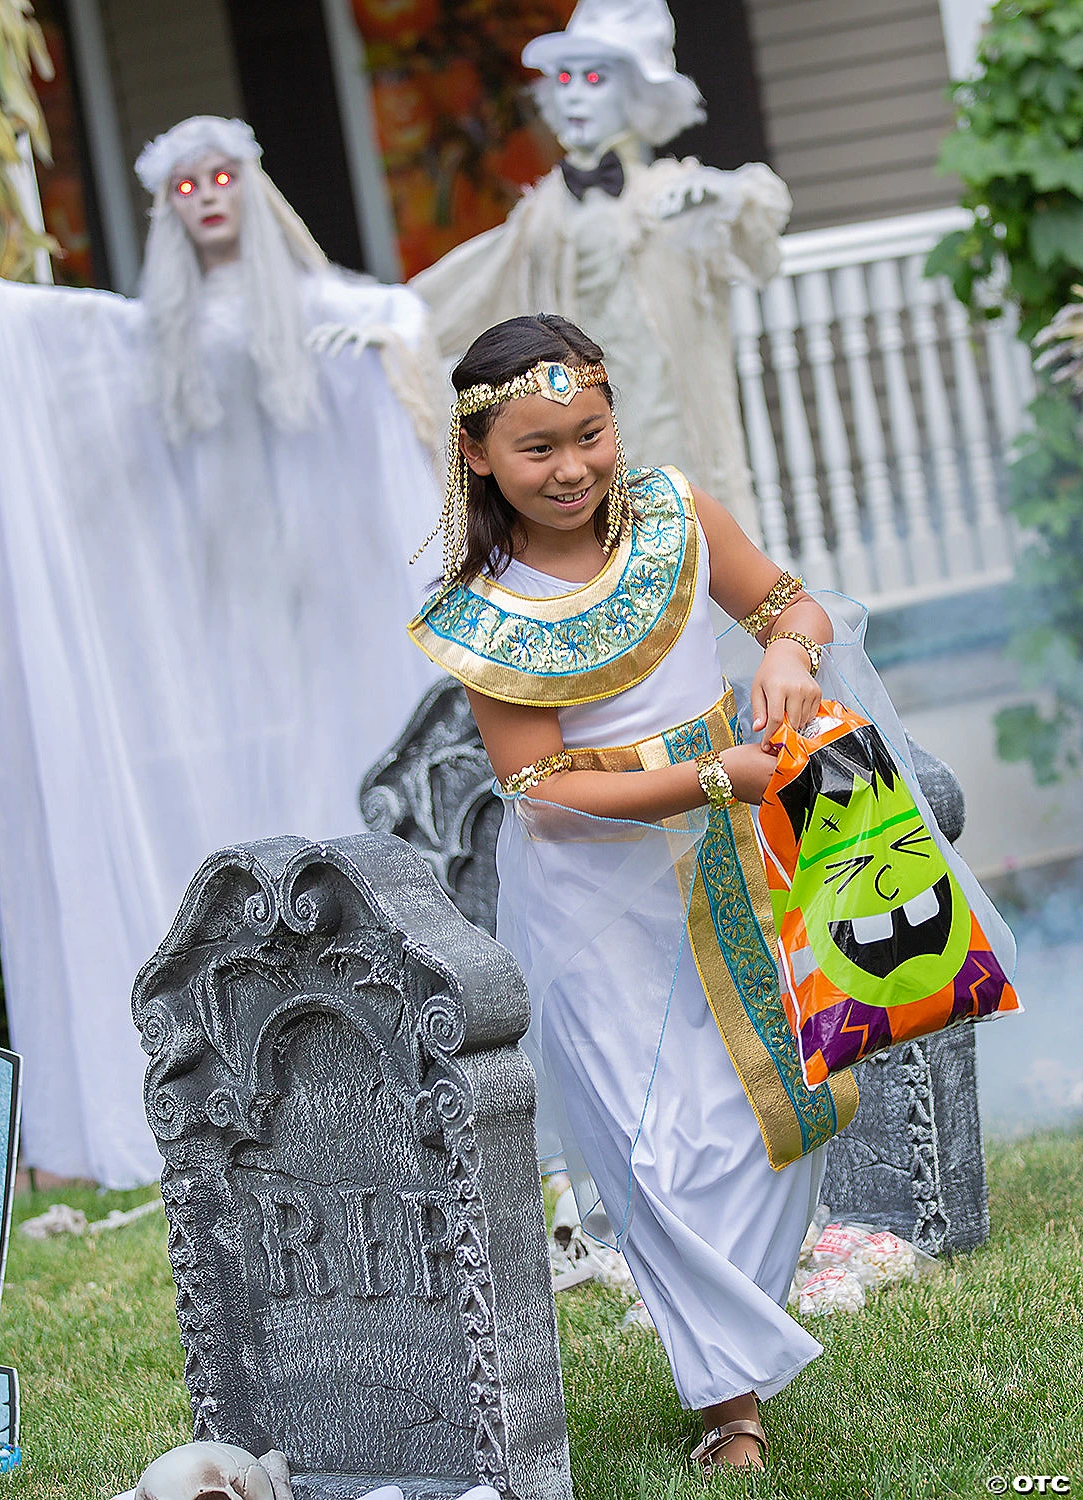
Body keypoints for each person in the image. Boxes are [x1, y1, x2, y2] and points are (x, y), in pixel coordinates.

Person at [406, 314, 1015, 1469]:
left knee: (780, 1112)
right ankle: (729, 1404)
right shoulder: (482, 615)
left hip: (741, 855)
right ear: (478, 455)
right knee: (650, 1147)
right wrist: (709, 776)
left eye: (591, 434)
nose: (573, 467)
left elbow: (793, 606)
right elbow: (542, 793)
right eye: (539, 448)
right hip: (596, 894)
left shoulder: (677, 518)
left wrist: (787, 651)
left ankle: (732, 1358)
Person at [0, 116, 440, 1187]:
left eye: (222, 178)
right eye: (186, 186)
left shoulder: (314, 307)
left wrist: (383, 345)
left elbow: (393, 316)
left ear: (251, 184)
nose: (208, 198)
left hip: (317, 585)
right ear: (167, 206)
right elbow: (79, 341)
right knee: (262, 805)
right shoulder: (163, 330)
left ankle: (387, 1030)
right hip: (225, 596)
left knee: (341, 771)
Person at [410, 0, 787, 537]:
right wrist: (395, 315)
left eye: (594, 79)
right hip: (579, 421)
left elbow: (758, 245)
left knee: (689, 530)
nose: (575, 94)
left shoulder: (672, 193)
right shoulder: (543, 214)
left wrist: (723, 201)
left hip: (669, 413)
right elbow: (476, 279)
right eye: (565, 79)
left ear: (637, 94)